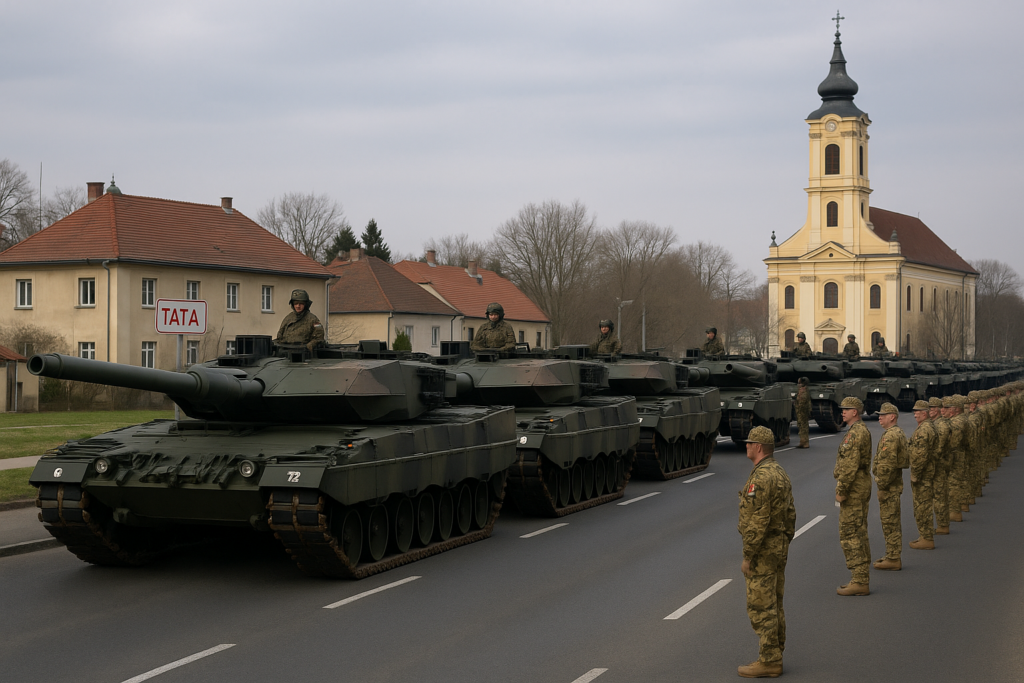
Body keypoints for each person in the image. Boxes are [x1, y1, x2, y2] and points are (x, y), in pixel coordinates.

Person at [737, 425, 796, 679]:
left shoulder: (761, 478)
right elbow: (791, 512)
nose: (747, 446)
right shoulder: (779, 472)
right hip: (778, 546)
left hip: (763, 550)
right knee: (775, 601)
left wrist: (748, 556)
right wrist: (785, 540)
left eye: (749, 443)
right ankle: (776, 651)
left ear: (758, 447)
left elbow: (757, 521)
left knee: (761, 604)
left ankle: (770, 660)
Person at [834, 396, 872, 595]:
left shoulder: (855, 433)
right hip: (860, 485)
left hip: (854, 488)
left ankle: (859, 580)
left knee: (850, 532)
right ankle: (861, 577)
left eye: (846, 409)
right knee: (859, 529)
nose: (843, 412)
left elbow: (849, 466)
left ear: (855, 412)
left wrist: (841, 490)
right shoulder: (860, 430)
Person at [872, 403, 908, 571]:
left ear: (892, 417)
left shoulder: (891, 436)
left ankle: (893, 558)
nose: (880, 417)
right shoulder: (896, 432)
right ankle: (891, 555)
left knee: (890, 522)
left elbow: (887, 465)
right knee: (891, 521)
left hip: (889, 487)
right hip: (893, 484)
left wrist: (881, 485)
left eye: (883, 415)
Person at [908, 400, 937, 550]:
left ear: (924, 414)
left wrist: (916, 474)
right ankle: (924, 536)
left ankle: (926, 538)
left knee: (922, 506)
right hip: (926, 472)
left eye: (917, 412)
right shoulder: (927, 427)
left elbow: (921, 455)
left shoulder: (924, 429)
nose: (915, 414)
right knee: (922, 505)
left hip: (923, 475)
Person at [929, 397, 952, 535]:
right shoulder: (934, 424)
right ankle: (942, 523)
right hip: (936, 464)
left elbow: (939, 448)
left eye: (932, 408)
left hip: (940, 464)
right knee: (937, 495)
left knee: (939, 495)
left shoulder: (941, 425)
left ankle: (943, 524)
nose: (930, 411)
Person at [795, 377, 811, 449]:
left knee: (803, 426)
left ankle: (805, 442)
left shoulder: (804, 391)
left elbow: (803, 402)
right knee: (801, 425)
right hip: (801, 411)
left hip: (802, 411)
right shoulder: (803, 390)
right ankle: (803, 441)